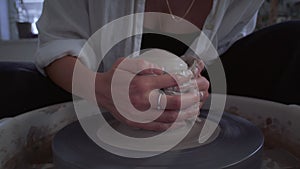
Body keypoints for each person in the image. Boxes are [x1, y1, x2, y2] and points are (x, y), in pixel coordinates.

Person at [1, 0, 300, 126]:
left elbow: (225, 48)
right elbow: (57, 42)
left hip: (197, 98)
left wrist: (198, 82)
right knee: (8, 83)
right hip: (92, 87)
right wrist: (102, 90)